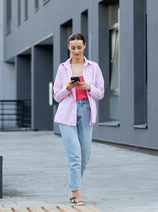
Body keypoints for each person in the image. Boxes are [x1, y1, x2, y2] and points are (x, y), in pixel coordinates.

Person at [53, 33, 104, 206]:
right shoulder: (63, 68)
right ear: (68, 47)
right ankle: (78, 194)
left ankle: (74, 189)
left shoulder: (93, 67)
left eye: (79, 47)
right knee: (74, 156)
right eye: (73, 47)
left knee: (85, 156)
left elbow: (101, 93)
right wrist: (68, 87)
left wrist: (88, 87)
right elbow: (57, 97)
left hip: (86, 112)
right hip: (67, 115)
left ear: (85, 46)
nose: (76, 51)